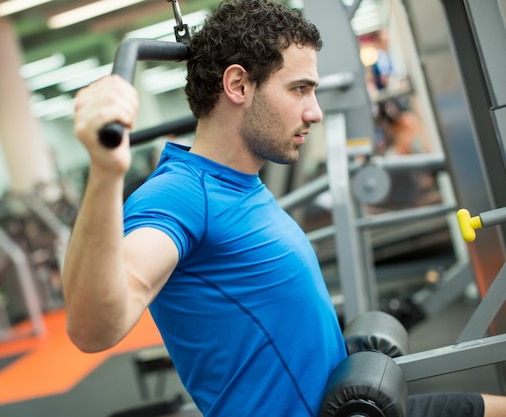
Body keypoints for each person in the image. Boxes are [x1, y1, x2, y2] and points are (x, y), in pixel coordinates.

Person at [64, 1, 506, 416]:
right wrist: (105, 173)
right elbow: (94, 330)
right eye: (300, 90)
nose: (314, 112)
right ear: (238, 85)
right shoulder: (180, 196)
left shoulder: (241, 182)